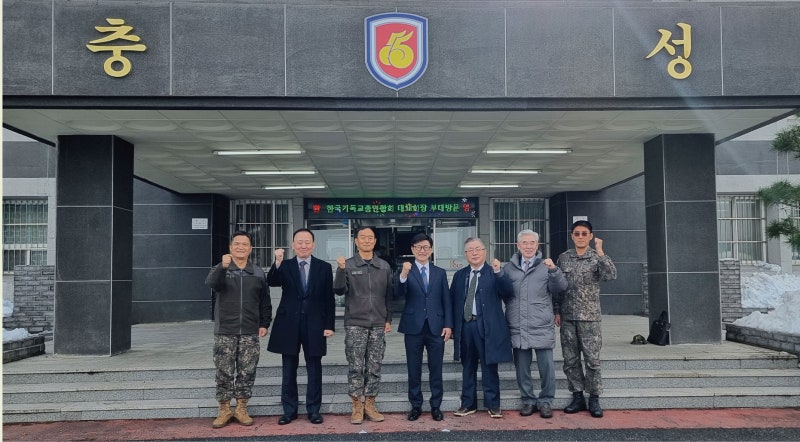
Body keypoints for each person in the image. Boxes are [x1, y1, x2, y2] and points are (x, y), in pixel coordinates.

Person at [494, 230, 567, 419]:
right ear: (518, 246)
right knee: (522, 368)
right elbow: (502, 292)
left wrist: (554, 271)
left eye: (532, 243)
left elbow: (560, 287)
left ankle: (546, 401)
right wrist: (498, 273)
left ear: (537, 245)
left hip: (541, 323)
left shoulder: (546, 266)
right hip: (517, 324)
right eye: (524, 243)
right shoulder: (508, 268)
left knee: (547, 367)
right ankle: (528, 400)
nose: (528, 246)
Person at [266, 228, 336, 426]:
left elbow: (328, 299)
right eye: (299, 242)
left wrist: (329, 325)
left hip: (315, 324)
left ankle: (314, 410)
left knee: (314, 368)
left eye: (307, 242)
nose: (303, 245)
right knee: (289, 368)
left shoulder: (323, 267)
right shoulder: (285, 265)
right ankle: (289, 411)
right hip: (289, 324)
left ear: (313, 245)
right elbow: (272, 281)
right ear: (293, 245)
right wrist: (277, 262)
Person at [205, 230, 272, 429]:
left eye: (244, 244)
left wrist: (264, 323)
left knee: (247, 371)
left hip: (250, 331)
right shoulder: (221, 268)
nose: (240, 247)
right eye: (237, 244)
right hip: (225, 330)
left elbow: (265, 301)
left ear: (250, 249)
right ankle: (224, 409)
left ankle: (242, 408)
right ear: (230, 247)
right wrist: (222, 267)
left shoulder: (257, 272)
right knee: (224, 372)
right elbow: (212, 284)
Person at [556, 220, 617, 418]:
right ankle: (577, 396)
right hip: (568, 318)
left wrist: (601, 252)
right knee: (570, 360)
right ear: (572, 236)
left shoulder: (597, 257)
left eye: (584, 233)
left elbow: (610, 276)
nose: (580, 237)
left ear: (591, 236)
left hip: (590, 319)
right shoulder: (564, 258)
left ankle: (594, 398)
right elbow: (557, 287)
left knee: (592, 360)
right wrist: (557, 311)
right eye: (577, 233)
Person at [334, 226, 394, 424]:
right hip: (355, 324)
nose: (367, 240)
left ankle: (370, 404)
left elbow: (389, 296)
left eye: (370, 238)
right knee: (356, 367)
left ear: (375, 241)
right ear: (356, 241)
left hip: (378, 324)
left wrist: (388, 319)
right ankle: (357, 406)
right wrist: (340, 270)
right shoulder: (349, 264)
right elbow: (339, 290)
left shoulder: (383, 266)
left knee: (374, 366)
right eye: (363, 237)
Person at [450, 237, 513, 419]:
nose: (475, 253)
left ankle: (493, 404)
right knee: (467, 366)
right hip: (466, 326)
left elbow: (508, 292)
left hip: (487, 326)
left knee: (489, 366)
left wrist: (499, 272)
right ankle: (468, 404)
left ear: (485, 251)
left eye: (478, 249)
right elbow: (453, 301)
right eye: (470, 250)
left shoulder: (494, 272)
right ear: (465, 254)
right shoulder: (460, 275)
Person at [396, 233, 453, 422]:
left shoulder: (439, 272)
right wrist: (403, 275)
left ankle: (436, 406)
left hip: (436, 327)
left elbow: (446, 300)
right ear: (412, 249)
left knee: (436, 368)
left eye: (426, 247)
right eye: (418, 247)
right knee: (414, 369)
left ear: (431, 249)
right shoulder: (406, 270)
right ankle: (416, 406)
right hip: (413, 327)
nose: (422, 250)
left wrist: (448, 325)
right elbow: (398, 294)